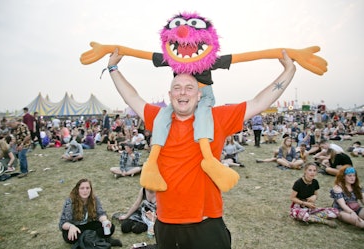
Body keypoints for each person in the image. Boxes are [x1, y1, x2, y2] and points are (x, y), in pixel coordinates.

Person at [107, 48, 297, 249]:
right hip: (166, 223)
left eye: (189, 88)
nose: (182, 92)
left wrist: (289, 71)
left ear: (199, 95)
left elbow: (259, 102)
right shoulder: (158, 118)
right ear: (170, 95)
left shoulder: (217, 118)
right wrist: (113, 67)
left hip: (206, 223)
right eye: (177, 87)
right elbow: (132, 97)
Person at [58, 178, 122, 246]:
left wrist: (104, 221)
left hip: (88, 225)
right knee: (71, 236)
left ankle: (92, 240)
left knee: (110, 227)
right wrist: (71, 227)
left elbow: (100, 214)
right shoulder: (70, 201)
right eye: (82, 188)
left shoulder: (94, 199)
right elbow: (63, 223)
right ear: (77, 190)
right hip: (75, 227)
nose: (85, 191)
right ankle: (103, 240)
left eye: (87, 188)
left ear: (90, 189)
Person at [290, 162, 338, 227]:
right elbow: (292, 198)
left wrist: (314, 196)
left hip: (310, 207)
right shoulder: (298, 183)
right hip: (298, 207)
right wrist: (305, 203)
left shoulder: (315, 182)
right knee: (304, 215)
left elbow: (316, 195)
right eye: (310, 170)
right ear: (305, 171)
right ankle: (324, 221)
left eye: (314, 170)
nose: (312, 172)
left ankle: (312, 217)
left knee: (335, 212)